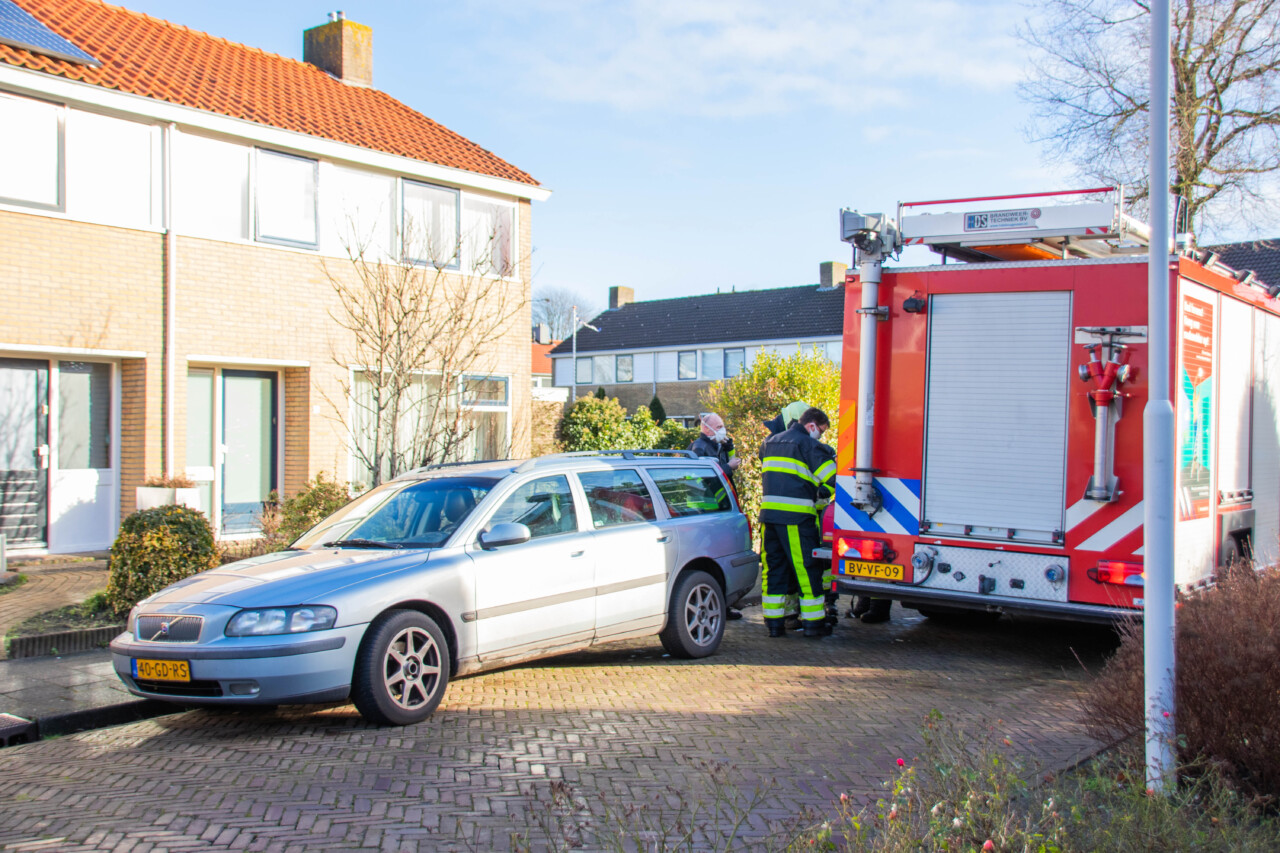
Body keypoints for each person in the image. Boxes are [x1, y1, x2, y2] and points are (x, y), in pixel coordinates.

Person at [759, 407, 838, 638]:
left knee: (774, 570)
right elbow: (834, 478)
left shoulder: (770, 442)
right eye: (821, 431)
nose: (820, 436)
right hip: (796, 519)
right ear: (812, 425)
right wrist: (821, 490)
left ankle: (774, 624)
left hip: (769, 518)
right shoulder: (808, 445)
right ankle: (814, 625)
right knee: (806, 570)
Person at [690, 412, 744, 620]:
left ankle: (725, 605)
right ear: (706, 428)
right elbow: (706, 477)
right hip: (707, 510)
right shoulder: (701, 448)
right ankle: (718, 606)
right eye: (719, 426)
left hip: (720, 511)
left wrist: (729, 450)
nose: (723, 429)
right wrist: (727, 468)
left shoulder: (717, 445)